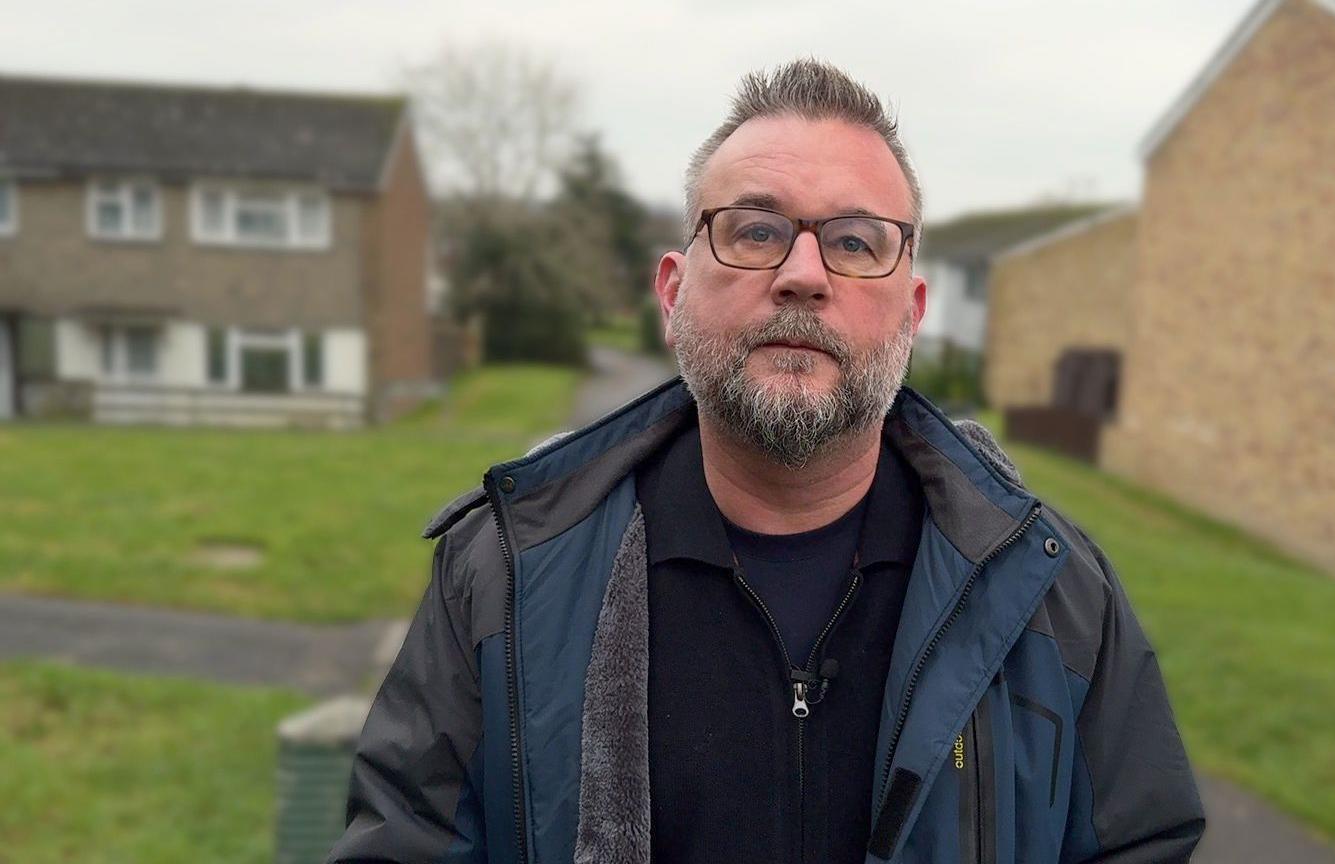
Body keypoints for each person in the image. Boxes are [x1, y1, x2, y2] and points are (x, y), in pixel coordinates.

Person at [329, 59, 1204, 864]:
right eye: (755, 231)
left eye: (857, 243)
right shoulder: (505, 575)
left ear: (913, 310)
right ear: (673, 290)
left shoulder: (1054, 595)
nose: (803, 273)